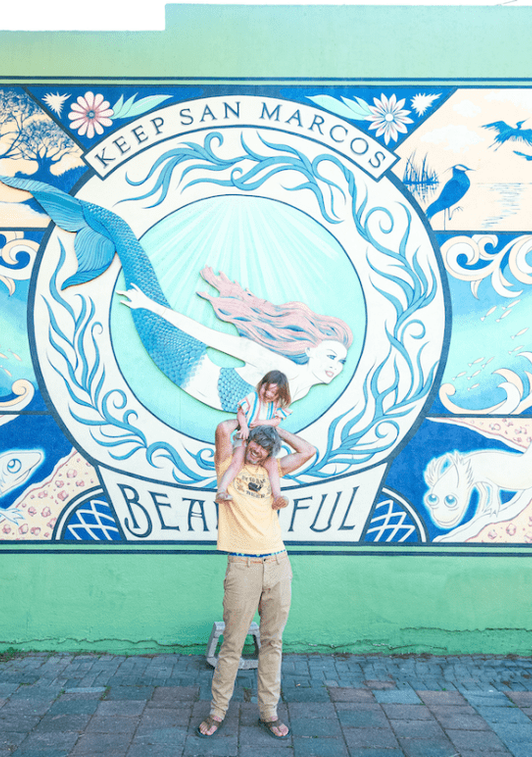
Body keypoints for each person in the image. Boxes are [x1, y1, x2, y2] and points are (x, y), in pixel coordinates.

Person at [196, 422, 316, 740]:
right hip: (242, 566)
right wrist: (248, 427)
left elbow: (308, 451)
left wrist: (278, 431)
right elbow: (222, 429)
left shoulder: (272, 467)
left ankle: (268, 712)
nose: (256, 450)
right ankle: (217, 711)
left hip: (278, 564)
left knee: (272, 642)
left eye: (263, 447)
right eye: (254, 444)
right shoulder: (229, 464)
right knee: (233, 644)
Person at [118, 266, 352, 413]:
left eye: (341, 361)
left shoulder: (301, 389)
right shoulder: (275, 364)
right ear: (311, 350)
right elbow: (207, 335)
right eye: (331, 356)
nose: (335, 366)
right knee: (135, 265)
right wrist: (148, 305)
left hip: (184, 373)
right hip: (184, 362)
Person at [216, 370, 292, 509]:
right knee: (237, 462)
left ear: (279, 395)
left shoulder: (275, 405)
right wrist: (244, 426)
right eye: (267, 389)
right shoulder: (253, 397)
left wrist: (262, 423)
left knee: (272, 465)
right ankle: (222, 490)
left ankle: (277, 496)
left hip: (262, 440)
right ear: (262, 384)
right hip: (246, 436)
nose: (268, 394)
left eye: (274, 393)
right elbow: (241, 413)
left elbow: (276, 421)